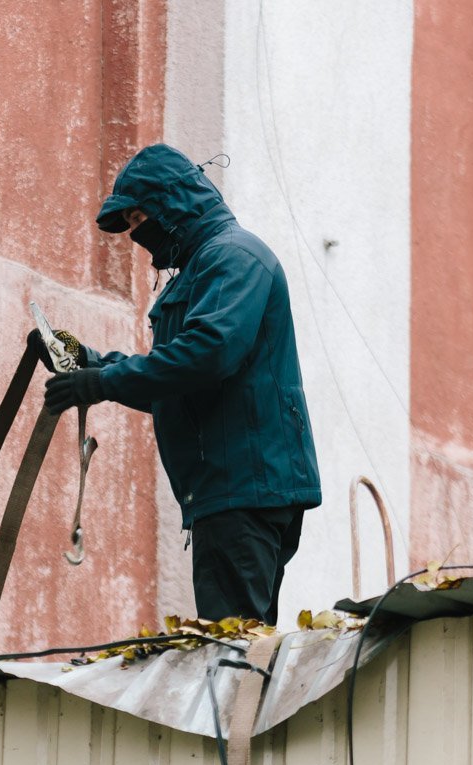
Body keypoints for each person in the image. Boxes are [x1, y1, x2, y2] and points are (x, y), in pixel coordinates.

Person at [30, 143, 321, 626]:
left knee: (231, 648)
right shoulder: (208, 266)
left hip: (242, 487)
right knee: (246, 641)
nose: (137, 233)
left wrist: (103, 382)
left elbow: (206, 355)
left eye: (139, 217)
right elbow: (179, 380)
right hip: (237, 487)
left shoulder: (232, 256)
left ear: (171, 204)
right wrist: (90, 363)